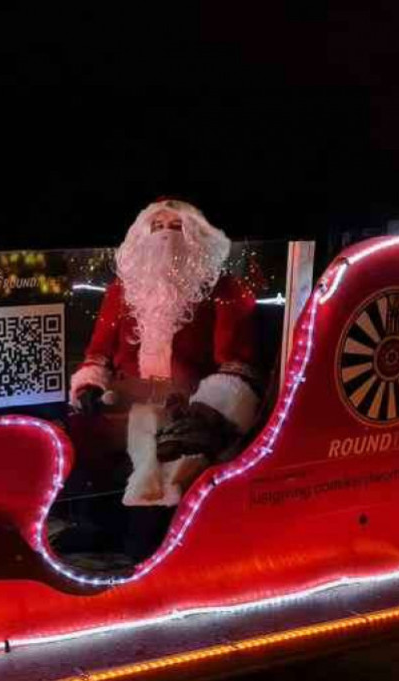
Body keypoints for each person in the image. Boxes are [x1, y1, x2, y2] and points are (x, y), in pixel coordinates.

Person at [65, 198, 260, 560]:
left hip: (184, 407)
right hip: (121, 404)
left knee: (163, 465)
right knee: (84, 445)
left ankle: (148, 549)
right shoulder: (121, 293)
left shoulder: (225, 292)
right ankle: (97, 529)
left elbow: (236, 367)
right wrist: (90, 384)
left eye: (177, 227)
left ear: (197, 236)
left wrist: (206, 414)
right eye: (158, 227)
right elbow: (98, 354)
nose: (167, 236)